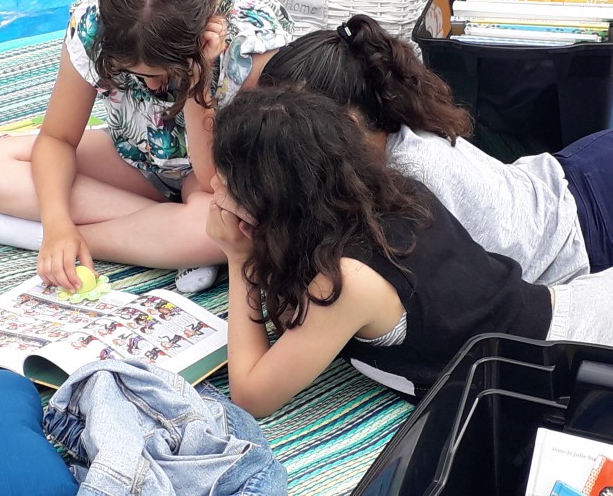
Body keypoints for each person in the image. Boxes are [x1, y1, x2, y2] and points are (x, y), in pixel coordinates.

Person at [206, 87, 613, 418]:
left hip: (573, 357)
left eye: (227, 181)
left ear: (275, 199)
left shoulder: (346, 282)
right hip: (568, 311)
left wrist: (239, 259)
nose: (213, 187)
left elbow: (251, 395)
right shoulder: (394, 194)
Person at [0, 0, 293, 293]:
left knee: (232, 227)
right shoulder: (98, 20)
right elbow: (57, 138)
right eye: (138, 75)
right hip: (135, 159)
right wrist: (58, 224)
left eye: (165, 73)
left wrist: (195, 84)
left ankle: (26, 234)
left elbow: (211, 180)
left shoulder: (252, 39)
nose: (156, 86)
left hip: (218, 177)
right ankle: (165, 242)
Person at [257, 14, 613, 287]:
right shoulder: (387, 130)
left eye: (294, 121)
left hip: (585, 227)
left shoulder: (410, 175)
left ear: (349, 119)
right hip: (566, 178)